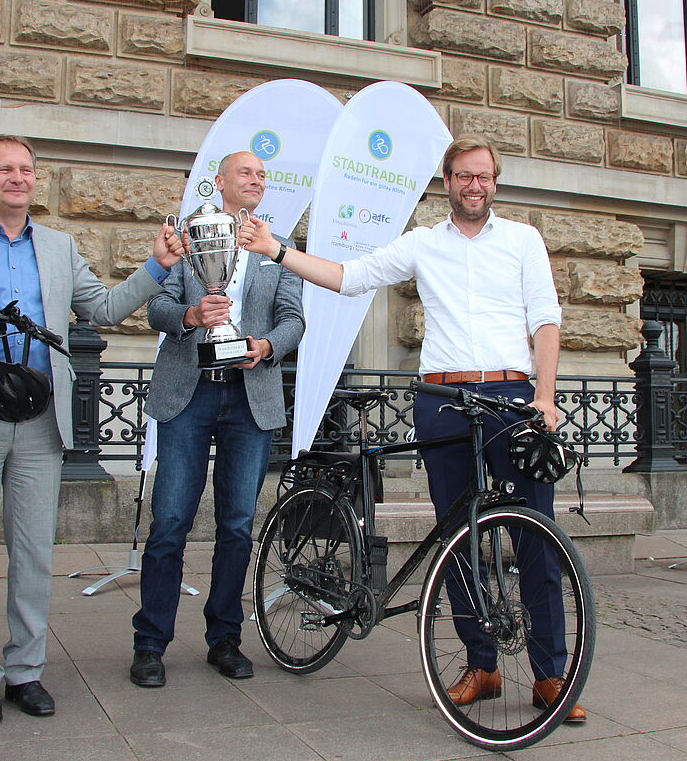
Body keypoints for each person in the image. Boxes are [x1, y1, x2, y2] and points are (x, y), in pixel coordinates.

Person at [239, 135, 587, 724]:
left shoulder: (523, 240)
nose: (473, 185)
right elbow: (350, 277)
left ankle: (551, 675)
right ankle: (482, 664)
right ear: (446, 182)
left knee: (536, 534)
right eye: (462, 176)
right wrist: (277, 251)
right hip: (444, 398)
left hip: (512, 397)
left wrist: (545, 398)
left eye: (483, 176)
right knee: (457, 537)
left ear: (494, 182)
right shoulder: (424, 244)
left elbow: (546, 320)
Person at [0, 135, 182, 724]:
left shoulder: (59, 247)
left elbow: (104, 309)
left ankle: (25, 671)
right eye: (5, 168)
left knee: (34, 554)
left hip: (38, 420)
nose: (18, 177)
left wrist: (158, 264)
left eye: (27, 170)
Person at [129, 151, 305, 688]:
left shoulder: (277, 249)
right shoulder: (187, 235)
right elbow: (155, 307)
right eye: (245, 173)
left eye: (261, 175)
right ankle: (150, 643)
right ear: (219, 182)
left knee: (237, 526)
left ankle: (224, 638)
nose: (255, 181)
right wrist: (187, 314)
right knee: (170, 524)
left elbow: (294, 320)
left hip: (249, 399)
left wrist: (265, 345)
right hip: (189, 395)